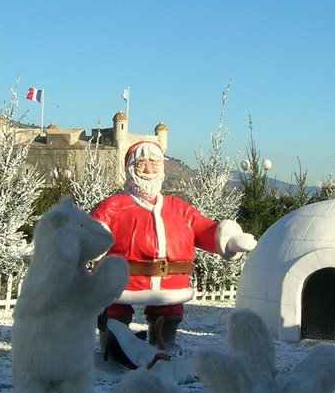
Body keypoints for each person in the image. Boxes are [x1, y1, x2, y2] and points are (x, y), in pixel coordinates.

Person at [90, 140, 256, 365]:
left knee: (168, 313)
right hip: (124, 279)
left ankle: (163, 346)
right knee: (115, 311)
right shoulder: (113, 206)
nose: (148, 169)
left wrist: (232, 240)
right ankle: (115, 348)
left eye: (154, 163)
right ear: (130, 168)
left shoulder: (179, 208)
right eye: (141, 164)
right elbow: (94, 228)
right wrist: (93, 242)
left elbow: (204, 228)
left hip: (170, 282)